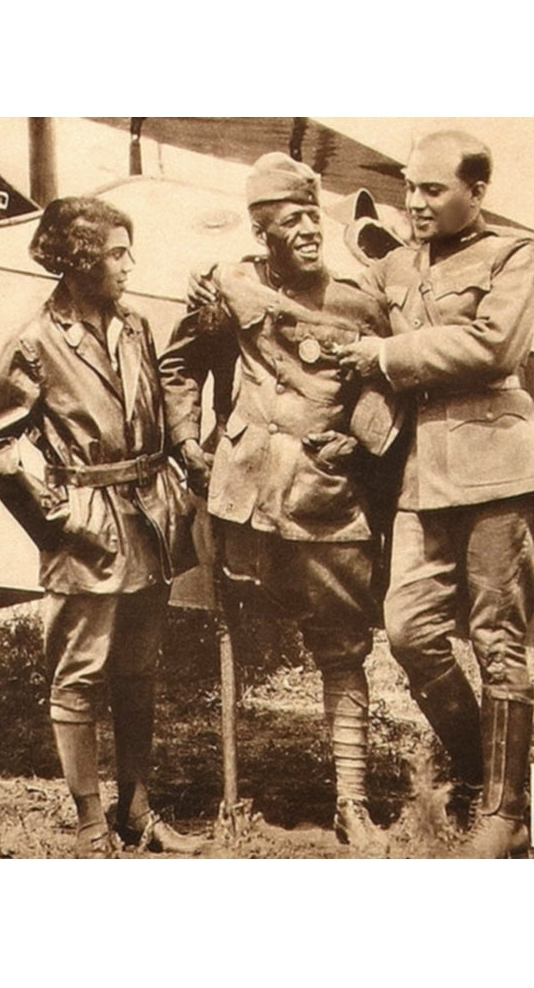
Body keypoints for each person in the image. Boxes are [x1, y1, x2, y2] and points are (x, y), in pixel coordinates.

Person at [159, 153, 400, 853]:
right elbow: (181, 364)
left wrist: (359, 444)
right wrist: (185, 440)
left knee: (343, 649)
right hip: (242, 497)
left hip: (326, 501)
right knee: (230, 634)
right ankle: (234, 797)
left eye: (310, 217)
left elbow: (389, 386)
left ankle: (352, 804)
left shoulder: (357, 298)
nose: (307, 232)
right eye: (289, 222)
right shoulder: (229, 285)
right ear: (261, 233)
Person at [336, 131, 534, 857]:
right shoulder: (395, 264)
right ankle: (479, 770)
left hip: (497, 467)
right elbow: (343, 310)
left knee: (498, 641)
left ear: (477, 193)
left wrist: (389, 354)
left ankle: (504, 813)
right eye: (411, 187)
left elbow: (495, 347)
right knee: (408, 629)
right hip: (421, 474)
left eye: (434, 190)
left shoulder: (516, 255)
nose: (416, 202)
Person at [0, 196, 200, 858]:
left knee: (139, 671)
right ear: (78, 263)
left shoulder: (137, 327)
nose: (130, 265)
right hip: (90, 534)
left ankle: (137, 810)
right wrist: (57, 514)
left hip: (149, 522)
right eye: (117, 253)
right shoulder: (35, 343)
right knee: (81, 673)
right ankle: (90, 821)